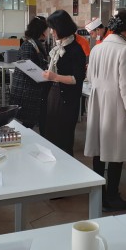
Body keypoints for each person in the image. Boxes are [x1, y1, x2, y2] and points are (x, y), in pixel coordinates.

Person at [84, 10, 126, 211]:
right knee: (116, 151)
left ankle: (98, 194)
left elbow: (90, 77)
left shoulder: (97, 48)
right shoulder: (124, 50)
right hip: (116, 104)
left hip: (98, 101)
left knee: (99, 149)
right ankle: (112, 197)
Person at [40, 10, 86, 156]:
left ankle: (65, 166)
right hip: (53, 95)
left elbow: (77, 79)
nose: (51, 32)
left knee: (64, 138)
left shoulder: (75, 49)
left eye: (53, 29)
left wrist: (55, 76)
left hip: (67, 99)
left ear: (61, 28)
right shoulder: (58, 47)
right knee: (51, 134)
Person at [9, 16, 49, 129]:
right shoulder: (28, 45)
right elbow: (28, 68)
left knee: (28, 123)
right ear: (42, 31)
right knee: (26, 124)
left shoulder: (34, 43)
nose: (49, 32)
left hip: (29, 90)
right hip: (26, 91)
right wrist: (46, 75)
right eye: (47, 29)